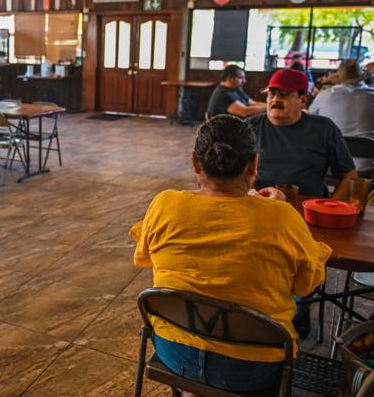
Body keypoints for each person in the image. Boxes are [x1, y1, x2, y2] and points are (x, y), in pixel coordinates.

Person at [131, 115, 331, 394]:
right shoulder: (282, 217)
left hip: (176, 352)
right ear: (254, 165)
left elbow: (143, 256)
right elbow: (307, 283)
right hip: (252, 369)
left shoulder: (165, 204)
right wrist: (275, 210)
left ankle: (193, 390)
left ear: (195, 162)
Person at [248, 68, 357, 199]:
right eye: (271, 94)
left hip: (306, 207)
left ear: (303, 100)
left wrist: (329, 207)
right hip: (259, 205)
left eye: (284, 94)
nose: (275, 100)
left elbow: (349, 176)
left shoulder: (324, 129)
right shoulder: (249, 127)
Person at [310, 60, 374, 173]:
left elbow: (312, 119)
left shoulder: (324, 95)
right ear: (362, 76)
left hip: (330, 164)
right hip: (366, 164)